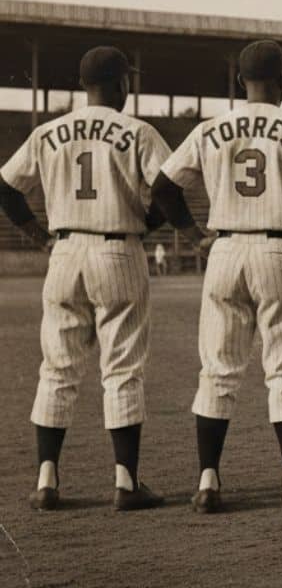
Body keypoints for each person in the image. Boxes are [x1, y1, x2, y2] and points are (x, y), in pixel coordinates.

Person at [152, 39, 282, 514]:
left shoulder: (210, 128)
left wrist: (193, 234)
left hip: (224, 249)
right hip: (280, 249)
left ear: (240, 82)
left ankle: (207, 483)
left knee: (218, 370)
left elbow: (162, 187)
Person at [0, 46, 170, 511]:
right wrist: (147, 225)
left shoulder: (48, 132)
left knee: (57, 368)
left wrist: (38, 235)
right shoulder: (138, 130)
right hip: (118, 248)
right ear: (120, 84)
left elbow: (5, 187)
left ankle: (46, 481)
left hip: (65, 250)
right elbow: (170, 189)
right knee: (122, 369)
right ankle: (125, 482)